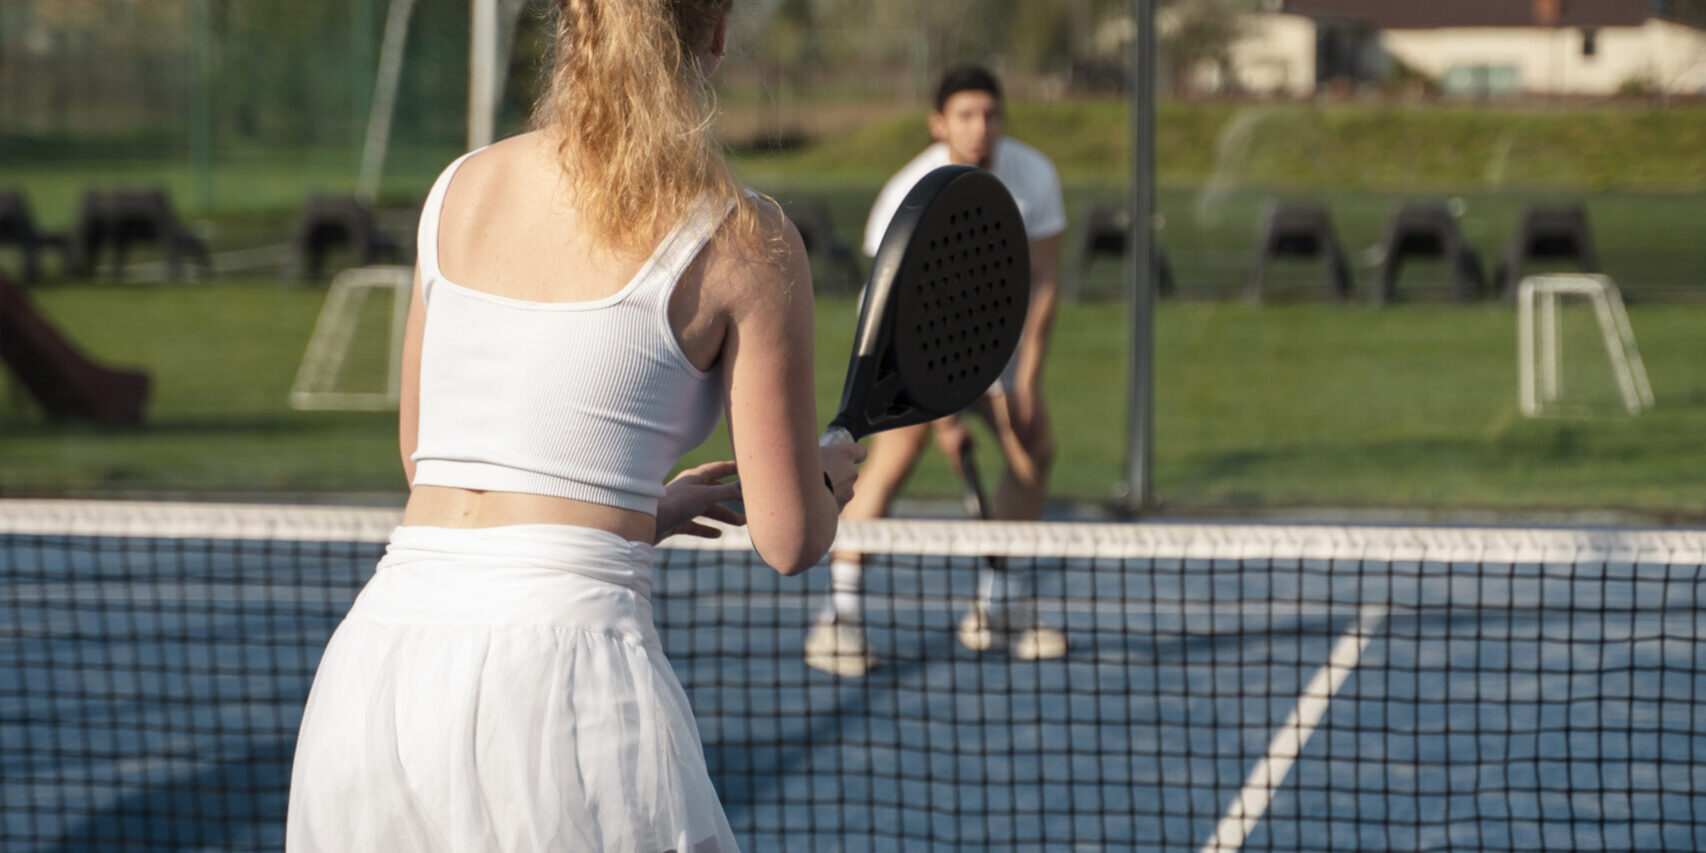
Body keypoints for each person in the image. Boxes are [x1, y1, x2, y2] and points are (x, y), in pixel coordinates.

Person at [286, 1, 864, 850]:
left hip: (375, 675)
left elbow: (428, 456)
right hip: (567, 684)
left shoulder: (459, 188)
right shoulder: (747, 237)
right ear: (718, 31)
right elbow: (789, 539)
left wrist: (637, 512)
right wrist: (827, 481)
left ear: (572, 24)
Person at [804, 64, 1067, 678]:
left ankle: (997, 605)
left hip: (996, 351)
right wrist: (944, 415)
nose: (981, 127)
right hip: (913, 355)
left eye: (991, 114)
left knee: (1036, 452)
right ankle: (840, 617)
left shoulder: (1034, 176)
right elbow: (895, 313)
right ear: (939, 123)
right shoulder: (906, 194)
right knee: (890, 464)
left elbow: (1047, 282)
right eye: (967, 115)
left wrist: (1026, 378)